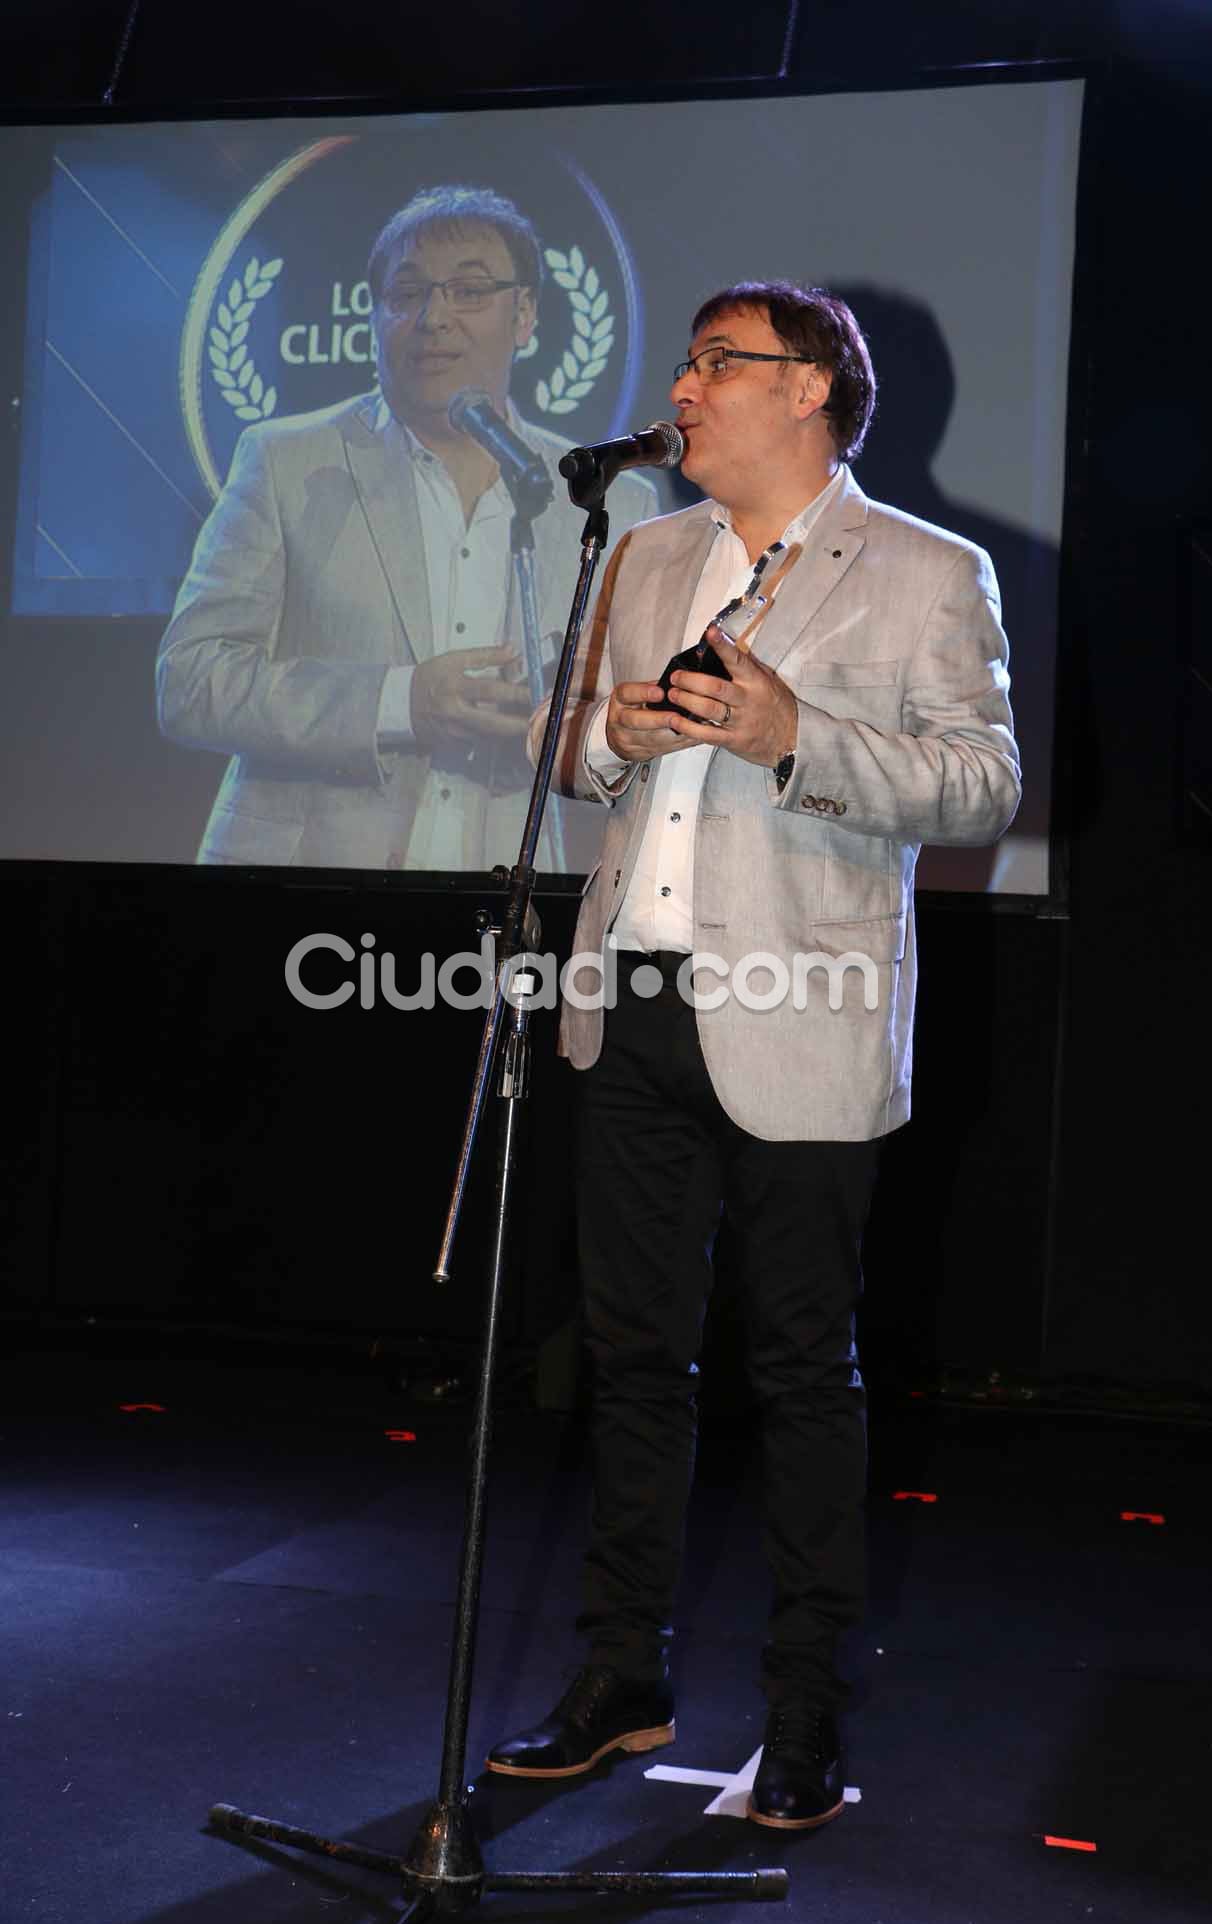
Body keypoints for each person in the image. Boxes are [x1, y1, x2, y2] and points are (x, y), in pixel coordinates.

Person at [486, 281, 1021, 1829]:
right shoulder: (645, 553)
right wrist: (614, 738)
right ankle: (621, 1677)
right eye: (688, 363)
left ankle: (801, 1712)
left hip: (802, 1008)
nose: (685, 387)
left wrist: (794, 735)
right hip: (630, 999)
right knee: (635, 1358)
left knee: (802, 1372)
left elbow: (981, 785)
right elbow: (560, 738)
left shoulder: (929, 571)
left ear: (811, 393)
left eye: (720, 363)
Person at [156, 185, 656, 871]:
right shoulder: (288, 461)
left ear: (525, 315)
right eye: (406, 293)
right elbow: (190, 681)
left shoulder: (606, 502)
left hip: (506, 891)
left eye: (469, 291)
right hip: (301, 890)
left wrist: (573, 719)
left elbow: (627, 721)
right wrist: (400, 703)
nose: (433, 317)